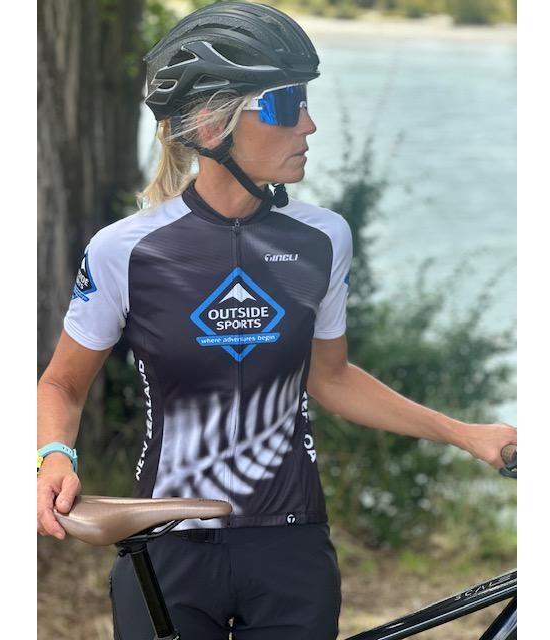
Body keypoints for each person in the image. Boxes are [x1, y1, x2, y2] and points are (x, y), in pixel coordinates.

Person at [36, 2, 517, 639]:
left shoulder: (322, 239)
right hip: (168, 545)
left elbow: (332, 377)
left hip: (291, 548)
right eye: (287, 105)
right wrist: (53, 456)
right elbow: (62, 383)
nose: (309, 124)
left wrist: (465, 434)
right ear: (214, 125)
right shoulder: (127, 249)